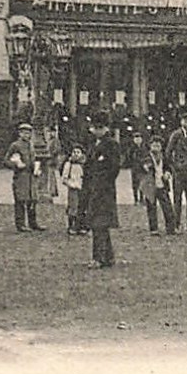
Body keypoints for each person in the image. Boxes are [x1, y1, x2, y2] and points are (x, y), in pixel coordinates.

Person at [82, 111, 122, 269]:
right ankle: (108, 257)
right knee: (99, 223)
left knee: (99, 224)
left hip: (104, 190)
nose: (94, 131)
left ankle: (98, 258)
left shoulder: (111, 144)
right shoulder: (94, 144)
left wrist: (101, 181)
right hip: (94, 189)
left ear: (104, 128)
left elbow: (114, 168)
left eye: (97, 128)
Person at [7, 122, 45, 232]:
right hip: (21, 176)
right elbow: (6, 160)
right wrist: (16, 165)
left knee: (32, 200)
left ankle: (33, 223)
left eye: (28, 133)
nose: (26, 135)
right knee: (20, 200)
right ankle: (20, 224)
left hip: (31, 176)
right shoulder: (15, 145)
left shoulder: (31, 145)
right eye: (24, 133)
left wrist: (36, 167)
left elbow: (34, 158)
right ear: (19, 133)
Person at [139, 137, 174, 235]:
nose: (156, 148)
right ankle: (153, 229)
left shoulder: (164, 157)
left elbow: (169, 167)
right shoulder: (146, 157)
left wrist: (167, 173)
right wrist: (145, 168)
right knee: (151, 208)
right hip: (150, 186)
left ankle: (171, 228)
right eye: (154, 145)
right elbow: (140, 168)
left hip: (162, 185)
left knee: (167, 207)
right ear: (150, 146)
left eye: (158, 146)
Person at [60, 145, 87, 235]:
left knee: (83, 207)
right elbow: (64, 177)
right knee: (73, 207)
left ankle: (82, 226)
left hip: (83, 188)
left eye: (78, 152)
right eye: (74, 152)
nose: (76, 154)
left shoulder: (84, 164)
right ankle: (72, 226)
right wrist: (71, 184)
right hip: (73, 188)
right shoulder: (69, 164)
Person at [127, 132, 148, 206]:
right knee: (135, 185)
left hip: (143, 169)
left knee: (142, 184)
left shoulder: (144, 148)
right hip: (135, 168)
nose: (137, 140)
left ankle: (142, 199)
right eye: (136, 138)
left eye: (139, 138)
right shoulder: (132, 148)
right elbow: (129, 158)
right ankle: (136, 200)